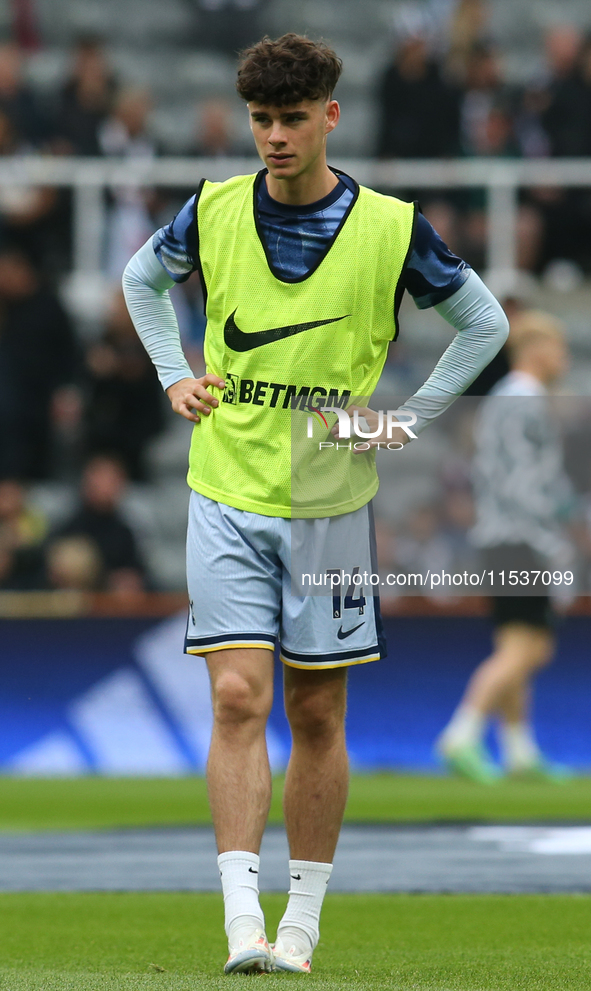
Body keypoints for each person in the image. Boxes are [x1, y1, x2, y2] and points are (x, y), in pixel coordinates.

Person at [122, 34, 508, 974]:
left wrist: (408, 420)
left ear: (329, 115)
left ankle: (301, 926)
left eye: (293, 118)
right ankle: (239, 925)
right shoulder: (212, 209)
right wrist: (174, 373)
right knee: (237, 695)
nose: (275, 137)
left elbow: (483, 322)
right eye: (261, 120)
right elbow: (141, 280)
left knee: (318, 712)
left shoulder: (388, 226)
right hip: (225, 486)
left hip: (330, 500)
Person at [437, 311, 576, 783]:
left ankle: (519, 752)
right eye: (557, 347)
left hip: (501, 535)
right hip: (521, 536)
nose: (565, 358)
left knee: (518, 643)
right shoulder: (524, 399)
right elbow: (524, 481)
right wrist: (557, 526)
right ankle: (461, 733)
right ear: (535, 350)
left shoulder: (507, 398)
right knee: (529, 650)